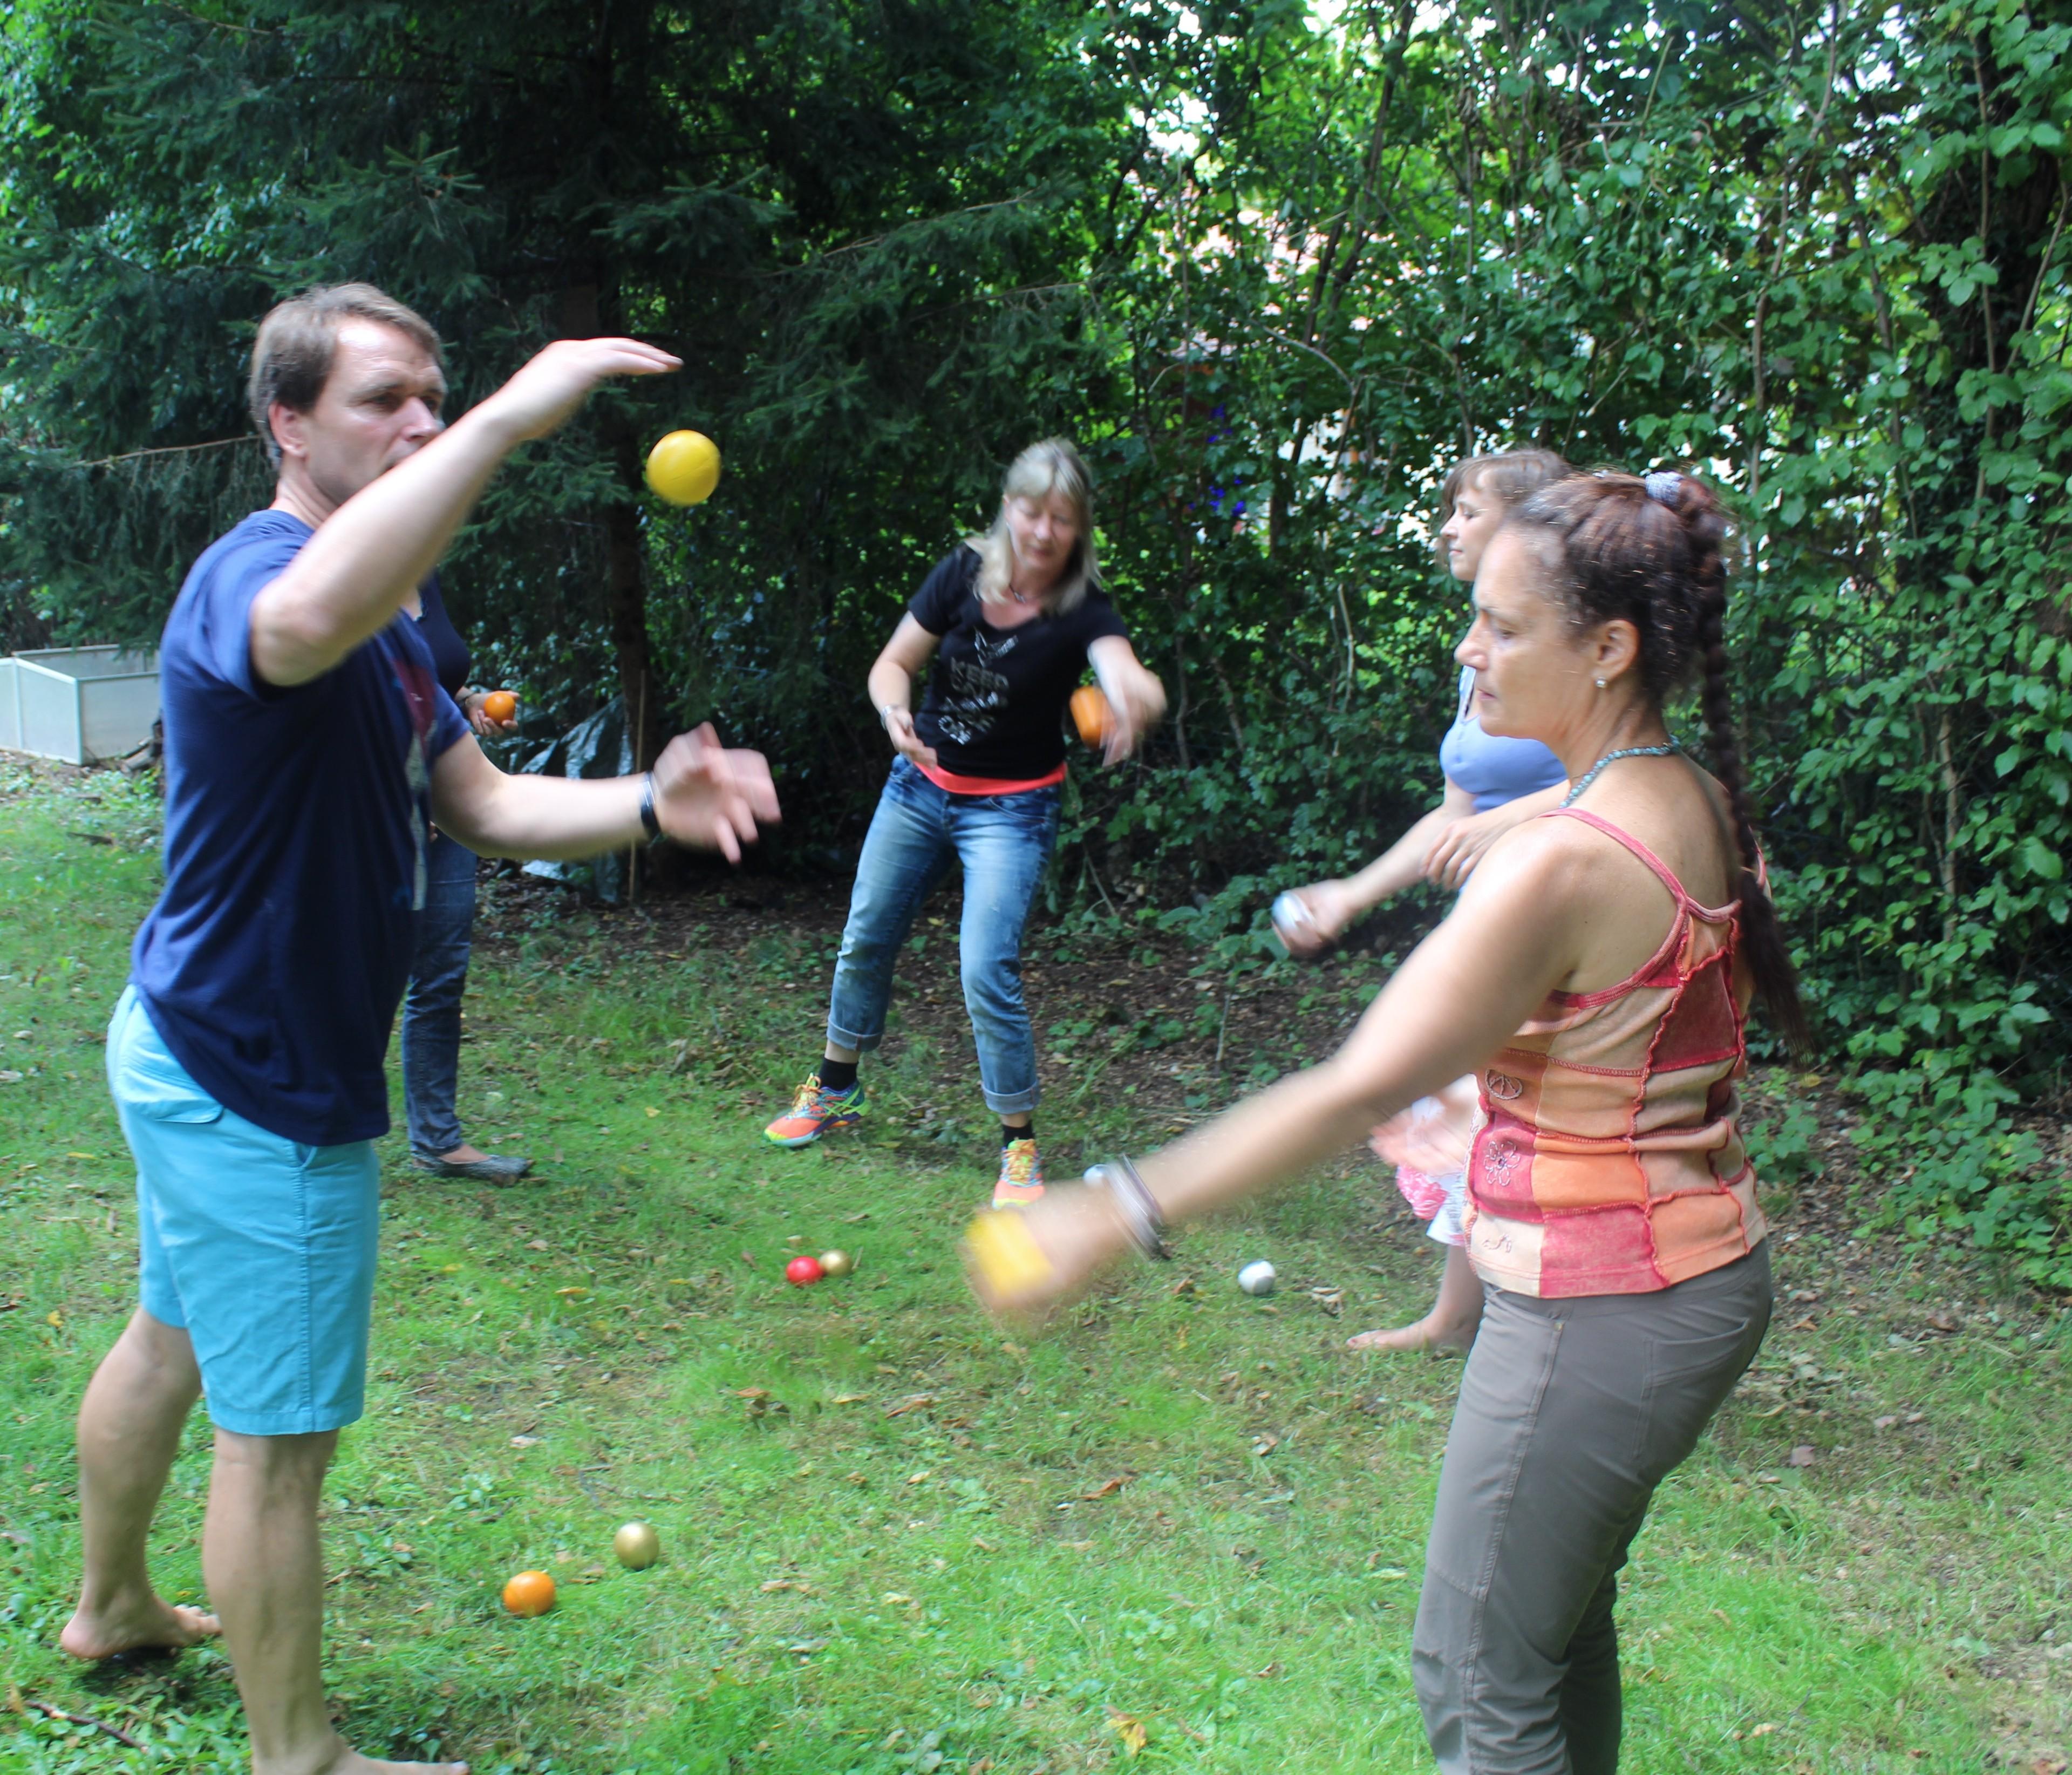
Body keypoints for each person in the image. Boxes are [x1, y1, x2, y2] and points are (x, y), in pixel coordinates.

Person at [967, 468, 1805, 1774]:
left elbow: (1354, 1083)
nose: (1468, 648)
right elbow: (1640, 1033)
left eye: (1503, 626)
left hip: (1605, 1300)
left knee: (1476, 1667)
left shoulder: (1563, 856)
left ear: (1607, 649)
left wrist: (1114, 1206)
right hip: (1687, 1277)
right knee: (1550, 1635)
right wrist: (1511, 1093)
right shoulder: (1677, 794)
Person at [62, 283, 779, 1775]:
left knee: (171, 1335)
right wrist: (520, 414)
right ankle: (300, 1756)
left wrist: (653, 800)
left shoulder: (392, 617)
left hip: (193, 1035)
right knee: (275, 1446)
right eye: (384, 399)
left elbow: (484, 802)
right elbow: (305, 616)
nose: (421, 423)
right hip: (258, 1075)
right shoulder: (262, 574)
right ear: (288, 422)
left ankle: (114, 1605)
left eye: (435, 399)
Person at [762, 438, 1166, 1208]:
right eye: (1031, 510)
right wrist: (893, 712)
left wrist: (1133, 695)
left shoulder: (1084, 607)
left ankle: (1019, 1147)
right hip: (919, 786)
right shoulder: (960, 572)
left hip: (1012, 810)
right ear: (1007, 506)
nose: (1044, 532)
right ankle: (836, 1089)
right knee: (866, 936)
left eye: (1062, 518)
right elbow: (892, 664)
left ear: (1080, 529)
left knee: (985, 966)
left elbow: (1123, 671)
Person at [1278, 449, 1572, 1354]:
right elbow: (1452, 819)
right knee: (1476, 1112)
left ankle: (1538, 1320)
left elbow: (1630, 774)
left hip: (1562, 925)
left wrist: (1510, 823)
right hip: (1491, 924)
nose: (1446, 524)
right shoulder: (1479, 656)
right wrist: (1352, 892)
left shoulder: (1569, 643)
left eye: (1467, 508)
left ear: (1525, 529)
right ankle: (1458, 1319)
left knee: (1502, 1115)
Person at [400, 576, 528, 1182]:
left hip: (448, 806)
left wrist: (470, 702)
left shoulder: (422, 572)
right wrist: (401, 797)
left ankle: (437, 1139)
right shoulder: (350, 572)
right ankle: (301, 1129)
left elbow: (435, 681)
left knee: (441, 973)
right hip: (382, 809)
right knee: (350, 968)